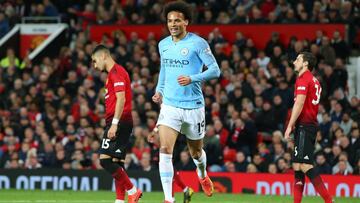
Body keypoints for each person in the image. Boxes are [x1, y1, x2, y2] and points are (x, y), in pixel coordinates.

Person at [152, 1, 220, 202]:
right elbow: (164, 70)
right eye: (169, 21)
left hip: (193, 107)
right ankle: (168, 199)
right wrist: (159, 90)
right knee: (164, 149)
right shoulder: (163, 44)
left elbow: (215, 70)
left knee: (196, 152)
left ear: (186, 22)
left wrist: (193, 78)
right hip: (170, 106)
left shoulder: (197, 43)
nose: (172, 24)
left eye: (177, 20)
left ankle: (202, 175)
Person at [91, 45, 142, 203]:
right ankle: (120, 201)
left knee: (105, 160)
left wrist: (114, 124)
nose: (94, 65)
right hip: (121, 121)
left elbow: (122, 99)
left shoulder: (116, 72)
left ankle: (133, 191)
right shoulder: (113, 74)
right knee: (116, 162)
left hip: (119, 122)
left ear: (104, 55)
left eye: (94, 61)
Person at [284, 52, 333, 203]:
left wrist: (289, 125)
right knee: (297, 165)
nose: (294, 62)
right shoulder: (314, 80)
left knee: (305, 165)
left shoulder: (303, 79)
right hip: (306, 125)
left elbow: (299, 103)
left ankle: (329, 201)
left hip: (305, 126)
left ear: (305, 63)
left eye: (298, 59)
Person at [148, 128, 194, 203]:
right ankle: (183, 191)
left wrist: (155, 132)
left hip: (172, 142)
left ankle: (171, 198)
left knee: (168, 169)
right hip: (169, 142)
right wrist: (155, 131)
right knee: (170, 169)